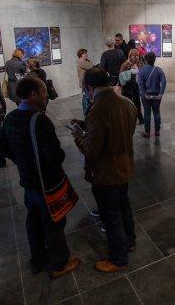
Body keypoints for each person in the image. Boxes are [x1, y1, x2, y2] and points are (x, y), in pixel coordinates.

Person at [0, 77, 80, 278]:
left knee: (33, 221)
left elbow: (1, 147)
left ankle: (38, 260)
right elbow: (54, 156)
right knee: (54, 223)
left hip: (28, 182)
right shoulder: (40, 120)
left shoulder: (9, 118)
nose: (46, 96)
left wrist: (22, 162)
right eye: (43, 92)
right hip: (47, 184)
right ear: (33, 94)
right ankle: (59, 263)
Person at [72, 68, 137, 273]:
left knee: (111, 215)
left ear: (89, 88)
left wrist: (78, 137)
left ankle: (119, 259)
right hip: (124, 165)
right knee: (123, 205)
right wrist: (86, 126)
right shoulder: (127, 103)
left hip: (106, 172)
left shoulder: (98, 108)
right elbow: (119, 130)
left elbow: (91, 151)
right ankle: (130, 241)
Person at [138, 52, 167, 138]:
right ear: (154, 60)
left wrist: (144, 94)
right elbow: (164, 81)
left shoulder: (142, 70)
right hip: (157, 96)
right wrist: (161, 93)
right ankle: (157, 131)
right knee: (156, 112)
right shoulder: (159, 70)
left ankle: (147, 132)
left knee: (147, 113)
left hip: (146, 96)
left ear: (146, 60)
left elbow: (140, 83)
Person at [119, 49, 144, 124]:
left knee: (137, 103)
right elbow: (121, 76)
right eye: (134, 55)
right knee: (128, 103)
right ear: (130, 56)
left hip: (136, 86)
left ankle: (140, 118)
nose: (136, 57)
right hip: (127, 87)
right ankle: (129, 119)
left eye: (137, 55)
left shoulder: (140, 64)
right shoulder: (125, 64)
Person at [76, 48, 94, 116]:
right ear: (80, 55)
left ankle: (88, 113)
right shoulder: (81, 62)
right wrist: (89, 61)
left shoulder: (85, 60)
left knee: (87, 96)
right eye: (84, 54)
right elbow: (91, 66)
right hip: (85, 82)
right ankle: (86, 114)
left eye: (86, 53)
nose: (86, 54)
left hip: (87, 82)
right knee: (86, 97)